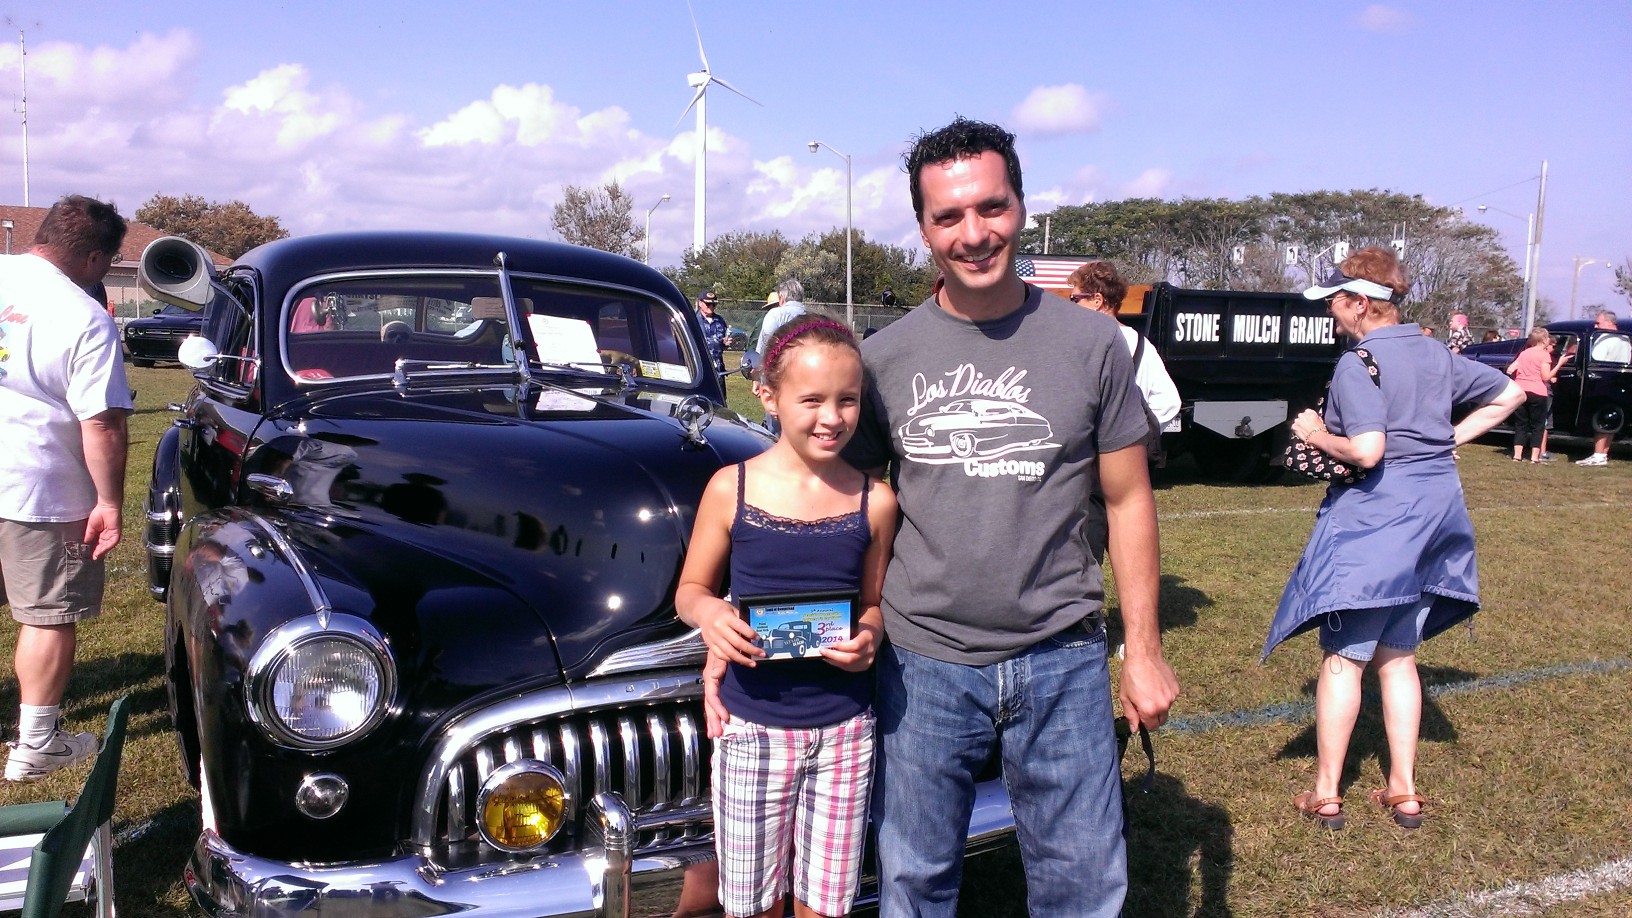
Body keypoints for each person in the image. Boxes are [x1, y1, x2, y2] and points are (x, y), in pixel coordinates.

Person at [845, 117, 1177, 917]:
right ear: (923, 228)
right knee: (915, 880)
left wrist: (1144, 649)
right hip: (922, 662)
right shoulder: (883, 358)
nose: (974, 233)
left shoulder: (1096, 346)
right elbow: (854, 505)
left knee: (1082, 884)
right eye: (949, 216)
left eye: (991, 207)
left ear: (1022, 207)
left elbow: (1129, 500)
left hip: (1061, 654)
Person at [1263, 247, 1522, 831]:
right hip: (1435, 516)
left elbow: (1367, 450)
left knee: (1344, 657)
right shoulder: (1437, 352)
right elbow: (1509, 395)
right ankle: (1403, 789)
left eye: (1335, 300)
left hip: (1375, 523)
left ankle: (1327, 791)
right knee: (1400, 656)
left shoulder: (1359, 363)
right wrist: (1447, 438)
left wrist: (1313, 433)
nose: (1331, 310)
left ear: (1361, 303)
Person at [677, 317, 897, 918]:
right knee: (752, 903)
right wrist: (710, 613)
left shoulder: (875, 501)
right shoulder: (731, 489)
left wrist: (871, 636)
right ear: (768, 398)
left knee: (826, 903)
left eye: (848, 400)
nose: (833, 417)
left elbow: (873, 602)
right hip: (751, 731)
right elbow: (691, 589)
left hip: (845, 734)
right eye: (813, 400)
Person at [0, 194, 132, 782]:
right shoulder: (85, 316)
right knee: (48, 612)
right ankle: (36, 742)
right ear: (96, 258)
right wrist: (108, 501)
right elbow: (101, 421)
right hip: (38, 484)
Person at [1068, 260, 1180, 563]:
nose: (1071, 304)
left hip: (1092, 457)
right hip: (1128, 457)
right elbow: (1169, 400)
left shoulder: (1093, 343)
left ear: (1097, 300)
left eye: (1075, 298)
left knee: (1088, 530)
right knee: (1125, 531)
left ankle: (1087, 606)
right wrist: (1139, 437)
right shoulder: (1141, 342)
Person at [1578, 309, 1630, 466]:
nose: (1596, 325)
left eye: (1598, 322)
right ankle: (1603, 453)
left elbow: (1597, 358)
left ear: (1609, 323)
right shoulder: (1625, 339)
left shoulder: (1605, 340)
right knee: (1612, 418)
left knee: (1602, 418)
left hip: (1604, 382)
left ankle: (1598, 453)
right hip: (1620, 381)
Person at [1505, 328, 1554, 463]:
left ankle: (1517, 455)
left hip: (1521, 390)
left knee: (1521, 424)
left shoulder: (1524, 353)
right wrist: (1558, 365)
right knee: (1537, 425)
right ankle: (1534, 457)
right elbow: (1545, 377)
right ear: (1544, 339)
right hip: (1537, 391)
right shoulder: (1544, 355)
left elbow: (1510, 369)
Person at [755, 279, 808, 357]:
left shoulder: (775, 314)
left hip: (779, 362)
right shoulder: (811, 315)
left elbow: (765, 342)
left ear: (782, 298)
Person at [696, 289, 727, 375]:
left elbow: (721, 344)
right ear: (700, 303)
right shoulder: (693, 320)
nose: (711, 306)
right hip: (700, 367)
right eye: (708, 304)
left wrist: (725, 343)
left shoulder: (720, 321)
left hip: (718, 369)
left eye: (714, 304)